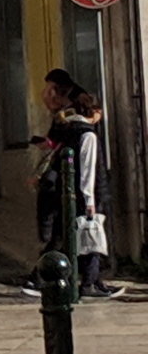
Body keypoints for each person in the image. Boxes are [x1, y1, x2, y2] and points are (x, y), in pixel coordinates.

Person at [26, 70, 122, 299]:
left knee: (79, 237)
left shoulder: (73, 130)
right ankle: (57, 280)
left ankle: (91, 282)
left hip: (72, 192)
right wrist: (89, 199)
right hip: (82, 193)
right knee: (83, 236)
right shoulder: (85, 134)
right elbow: (88, 170)